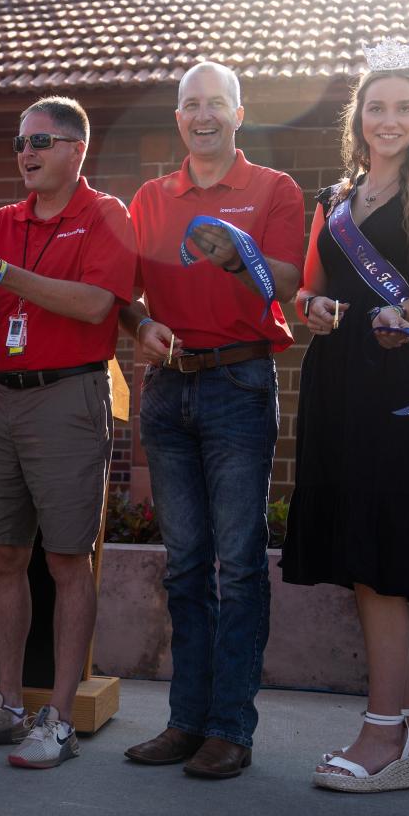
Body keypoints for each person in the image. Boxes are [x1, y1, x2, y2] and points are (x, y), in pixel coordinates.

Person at [281, 51, 409, 792]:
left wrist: (399, 311)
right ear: (358, 116)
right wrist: (313, 307)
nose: (388, 120)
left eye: (404, 108)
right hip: (334, 379)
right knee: (355, 548)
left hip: (392, 379)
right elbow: (308, 288)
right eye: (376, 107)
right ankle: (405, 720)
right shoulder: (334, 195)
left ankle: (385, 730)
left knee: (381, 548)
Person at [0, 96, 134, 769]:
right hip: (4, 397)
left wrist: (7, 272)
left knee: (66, 560)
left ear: (78, 150)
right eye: (21, 141)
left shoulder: (105, 214)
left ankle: (61, 718)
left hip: (70, 395)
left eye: (43, 141)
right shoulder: (2, 219)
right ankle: (10, 702)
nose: (28, 153)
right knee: (1, 554)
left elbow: (96, 304)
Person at [119, 62, 304, 779]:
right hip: (168, 390)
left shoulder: (273, 190)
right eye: (191, 105)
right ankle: (186, 721)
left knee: (239, 565)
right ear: (179, 119)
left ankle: (231, 727)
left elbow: (290, 281)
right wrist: (141, 327)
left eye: (215, 104)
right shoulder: (150, 197)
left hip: (240, 382)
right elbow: (126, 296)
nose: (203, 115)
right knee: (186, 566)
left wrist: (239, 258)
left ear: (237, 113)